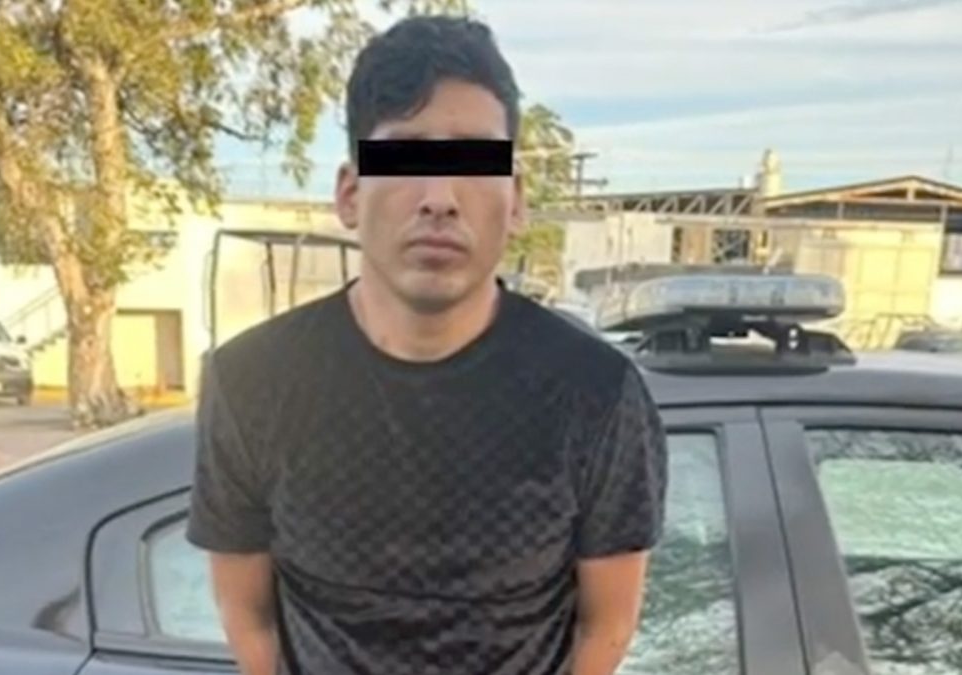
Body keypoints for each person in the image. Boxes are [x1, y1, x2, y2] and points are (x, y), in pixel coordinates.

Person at [186, 14, 668, 675]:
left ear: (516, 200)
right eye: (408, 158)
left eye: (472, 162)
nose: (440, 198)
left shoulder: (597, 394)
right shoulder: (251, 383)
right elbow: (249, 616)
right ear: (350, 194)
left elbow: (606, 624)